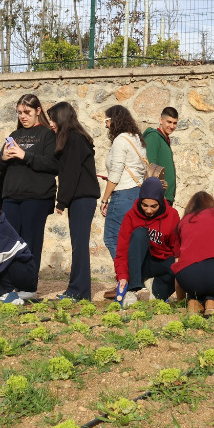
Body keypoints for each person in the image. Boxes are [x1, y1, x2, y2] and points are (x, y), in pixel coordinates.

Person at [0, 94, 58, 291]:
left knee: (30, 243)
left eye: (27, 112)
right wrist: (3, 157)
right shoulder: (14, 135)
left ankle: (28, 287)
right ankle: (9, 285)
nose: (23, 116)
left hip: (36, 198)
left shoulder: (48, 135)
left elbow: (53, 164)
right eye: (20, 112)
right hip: (11, 197)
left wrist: (25, 155)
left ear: (38, 111)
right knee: (10, 243)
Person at [51, 102, 99, 301]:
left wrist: (61, 201)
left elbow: (70, 173)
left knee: (79, 246)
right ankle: (79, 290)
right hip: (81, 200)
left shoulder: (73, 139)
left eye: (53, 119)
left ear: (61, 118)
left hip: (82, 199)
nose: (51, 123)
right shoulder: (76, 138)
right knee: (78, 245)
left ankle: (78, 291)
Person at [113, 177, 180, 307]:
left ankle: (156, 290)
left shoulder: (172, 215)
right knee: (139, 233)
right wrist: (122, 276)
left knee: (179, 265)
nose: (148, 210)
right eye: (145, 205)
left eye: (153, 206)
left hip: (161, 261)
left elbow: (176, 249)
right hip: (140, 263)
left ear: (160, 202)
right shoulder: (131, 216)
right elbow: (122, 251)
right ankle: (132, 289)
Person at [99, 105, 148, 261]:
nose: (106, 125)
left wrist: (104, 199)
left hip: (122, 194)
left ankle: (124, 277)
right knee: (129, 240)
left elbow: (116, 173)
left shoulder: (120, 140)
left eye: (107, 121)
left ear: (114, 121)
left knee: (111, 238)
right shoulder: (137, 139)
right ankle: (132, 278)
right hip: (136, 194)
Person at [144, 106, 179, 203]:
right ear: (161, 120)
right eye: (169, 122)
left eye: (175, 123)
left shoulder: (164, 140)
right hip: (157, 197)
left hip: (164, 198)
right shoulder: (154, 137)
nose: (172, 126)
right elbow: (151, 168)